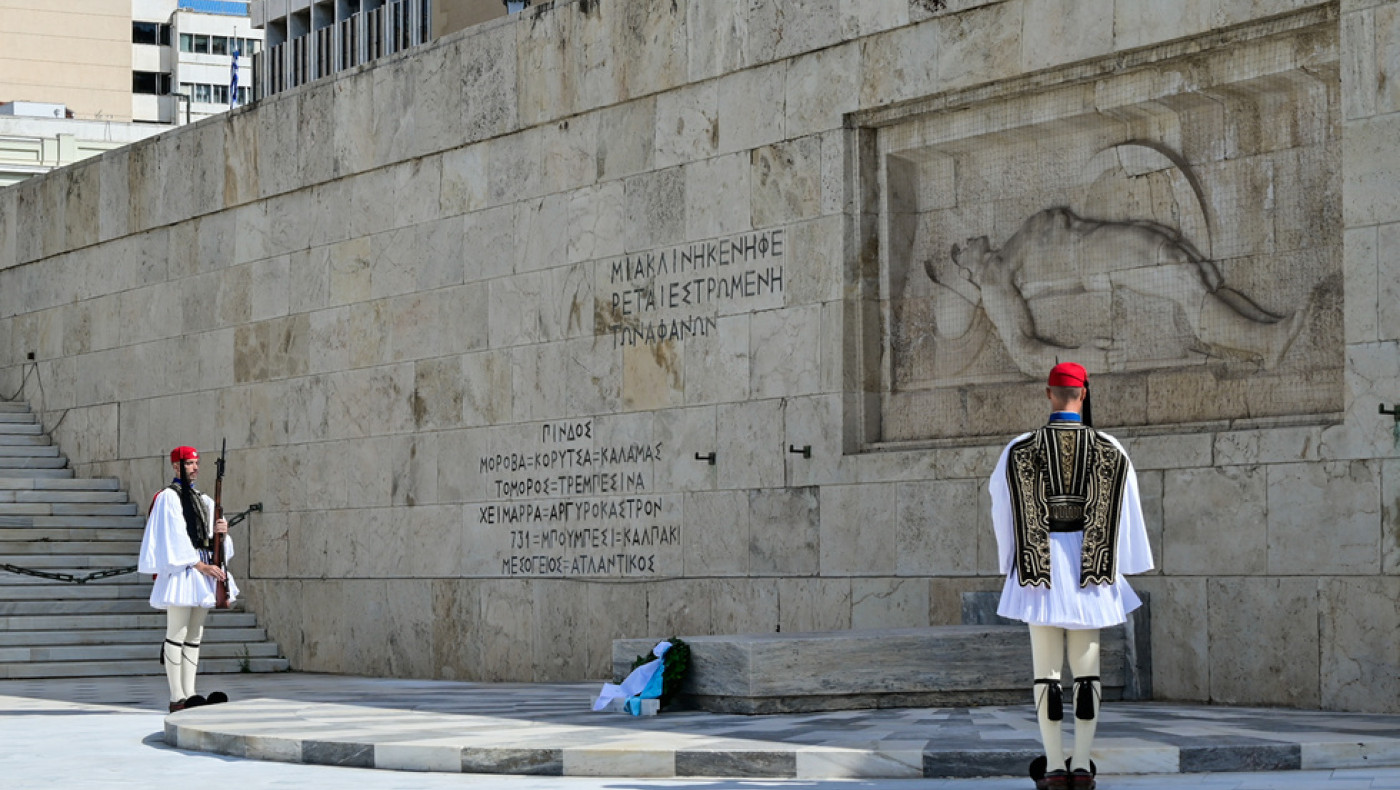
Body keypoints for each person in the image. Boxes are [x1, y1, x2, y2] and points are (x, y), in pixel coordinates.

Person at [988, 363, 1154, 790]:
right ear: (1084, 394)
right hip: (1090, 571)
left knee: (1045, 674)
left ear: (1049, 394)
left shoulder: (1018, 449)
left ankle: (1054, 768)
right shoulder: (1111, 448)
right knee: (1087, 673)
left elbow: (1001, 509)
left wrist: (1011, 560)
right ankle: (1081, 767)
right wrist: (1120, 563)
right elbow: (1127, 512)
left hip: (1038, 569)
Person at [137, 446, 240, 712]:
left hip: (202, 570)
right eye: (189, 463)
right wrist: (199, 565)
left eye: (196, 463)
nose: (194, 468)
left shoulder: (204, 499)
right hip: (184, 570)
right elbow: (172, 537)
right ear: (175, 467)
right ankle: (177, 697)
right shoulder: (168, 498)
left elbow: (217, 543)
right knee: (177, 634)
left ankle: (191, 693)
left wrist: (222, 532)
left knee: (195, 635)